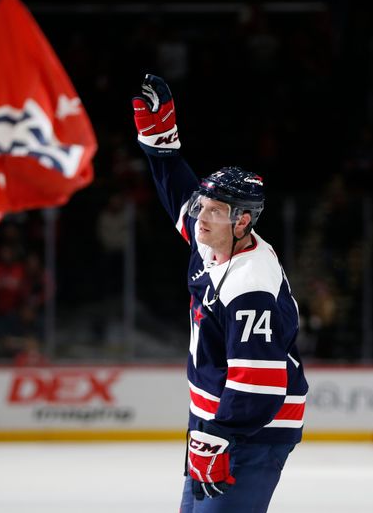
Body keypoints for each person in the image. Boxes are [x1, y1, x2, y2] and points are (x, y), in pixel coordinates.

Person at [132, 74, 308, 512]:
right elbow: (178, 192)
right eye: (204, 208)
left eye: (215, 211)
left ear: (243, 221)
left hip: (252, 431)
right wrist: (160, 146)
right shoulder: (213, 239)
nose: (200, 217)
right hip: (217, 422)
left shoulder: (251, 286)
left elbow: (261, 383)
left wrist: (220, 435)